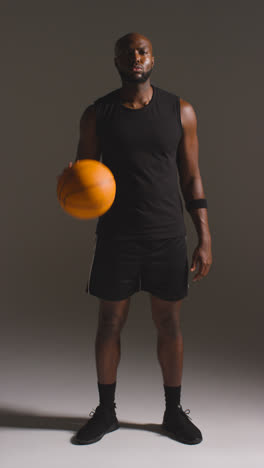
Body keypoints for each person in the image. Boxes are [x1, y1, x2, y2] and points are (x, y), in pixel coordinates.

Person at [57, 32, 212, 445]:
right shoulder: (97, 114)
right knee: (109, 321)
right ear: (116, 61)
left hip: (166, 234)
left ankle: (173, 412)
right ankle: (106, 413)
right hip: (117, 235)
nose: (135, 57)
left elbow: (191, 175)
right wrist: (69, 181)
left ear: (152, 58)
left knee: (169, 323)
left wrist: (204, 236)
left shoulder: (180, 110)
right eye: (127, 52)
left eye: (141, 50)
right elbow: (86, 174)